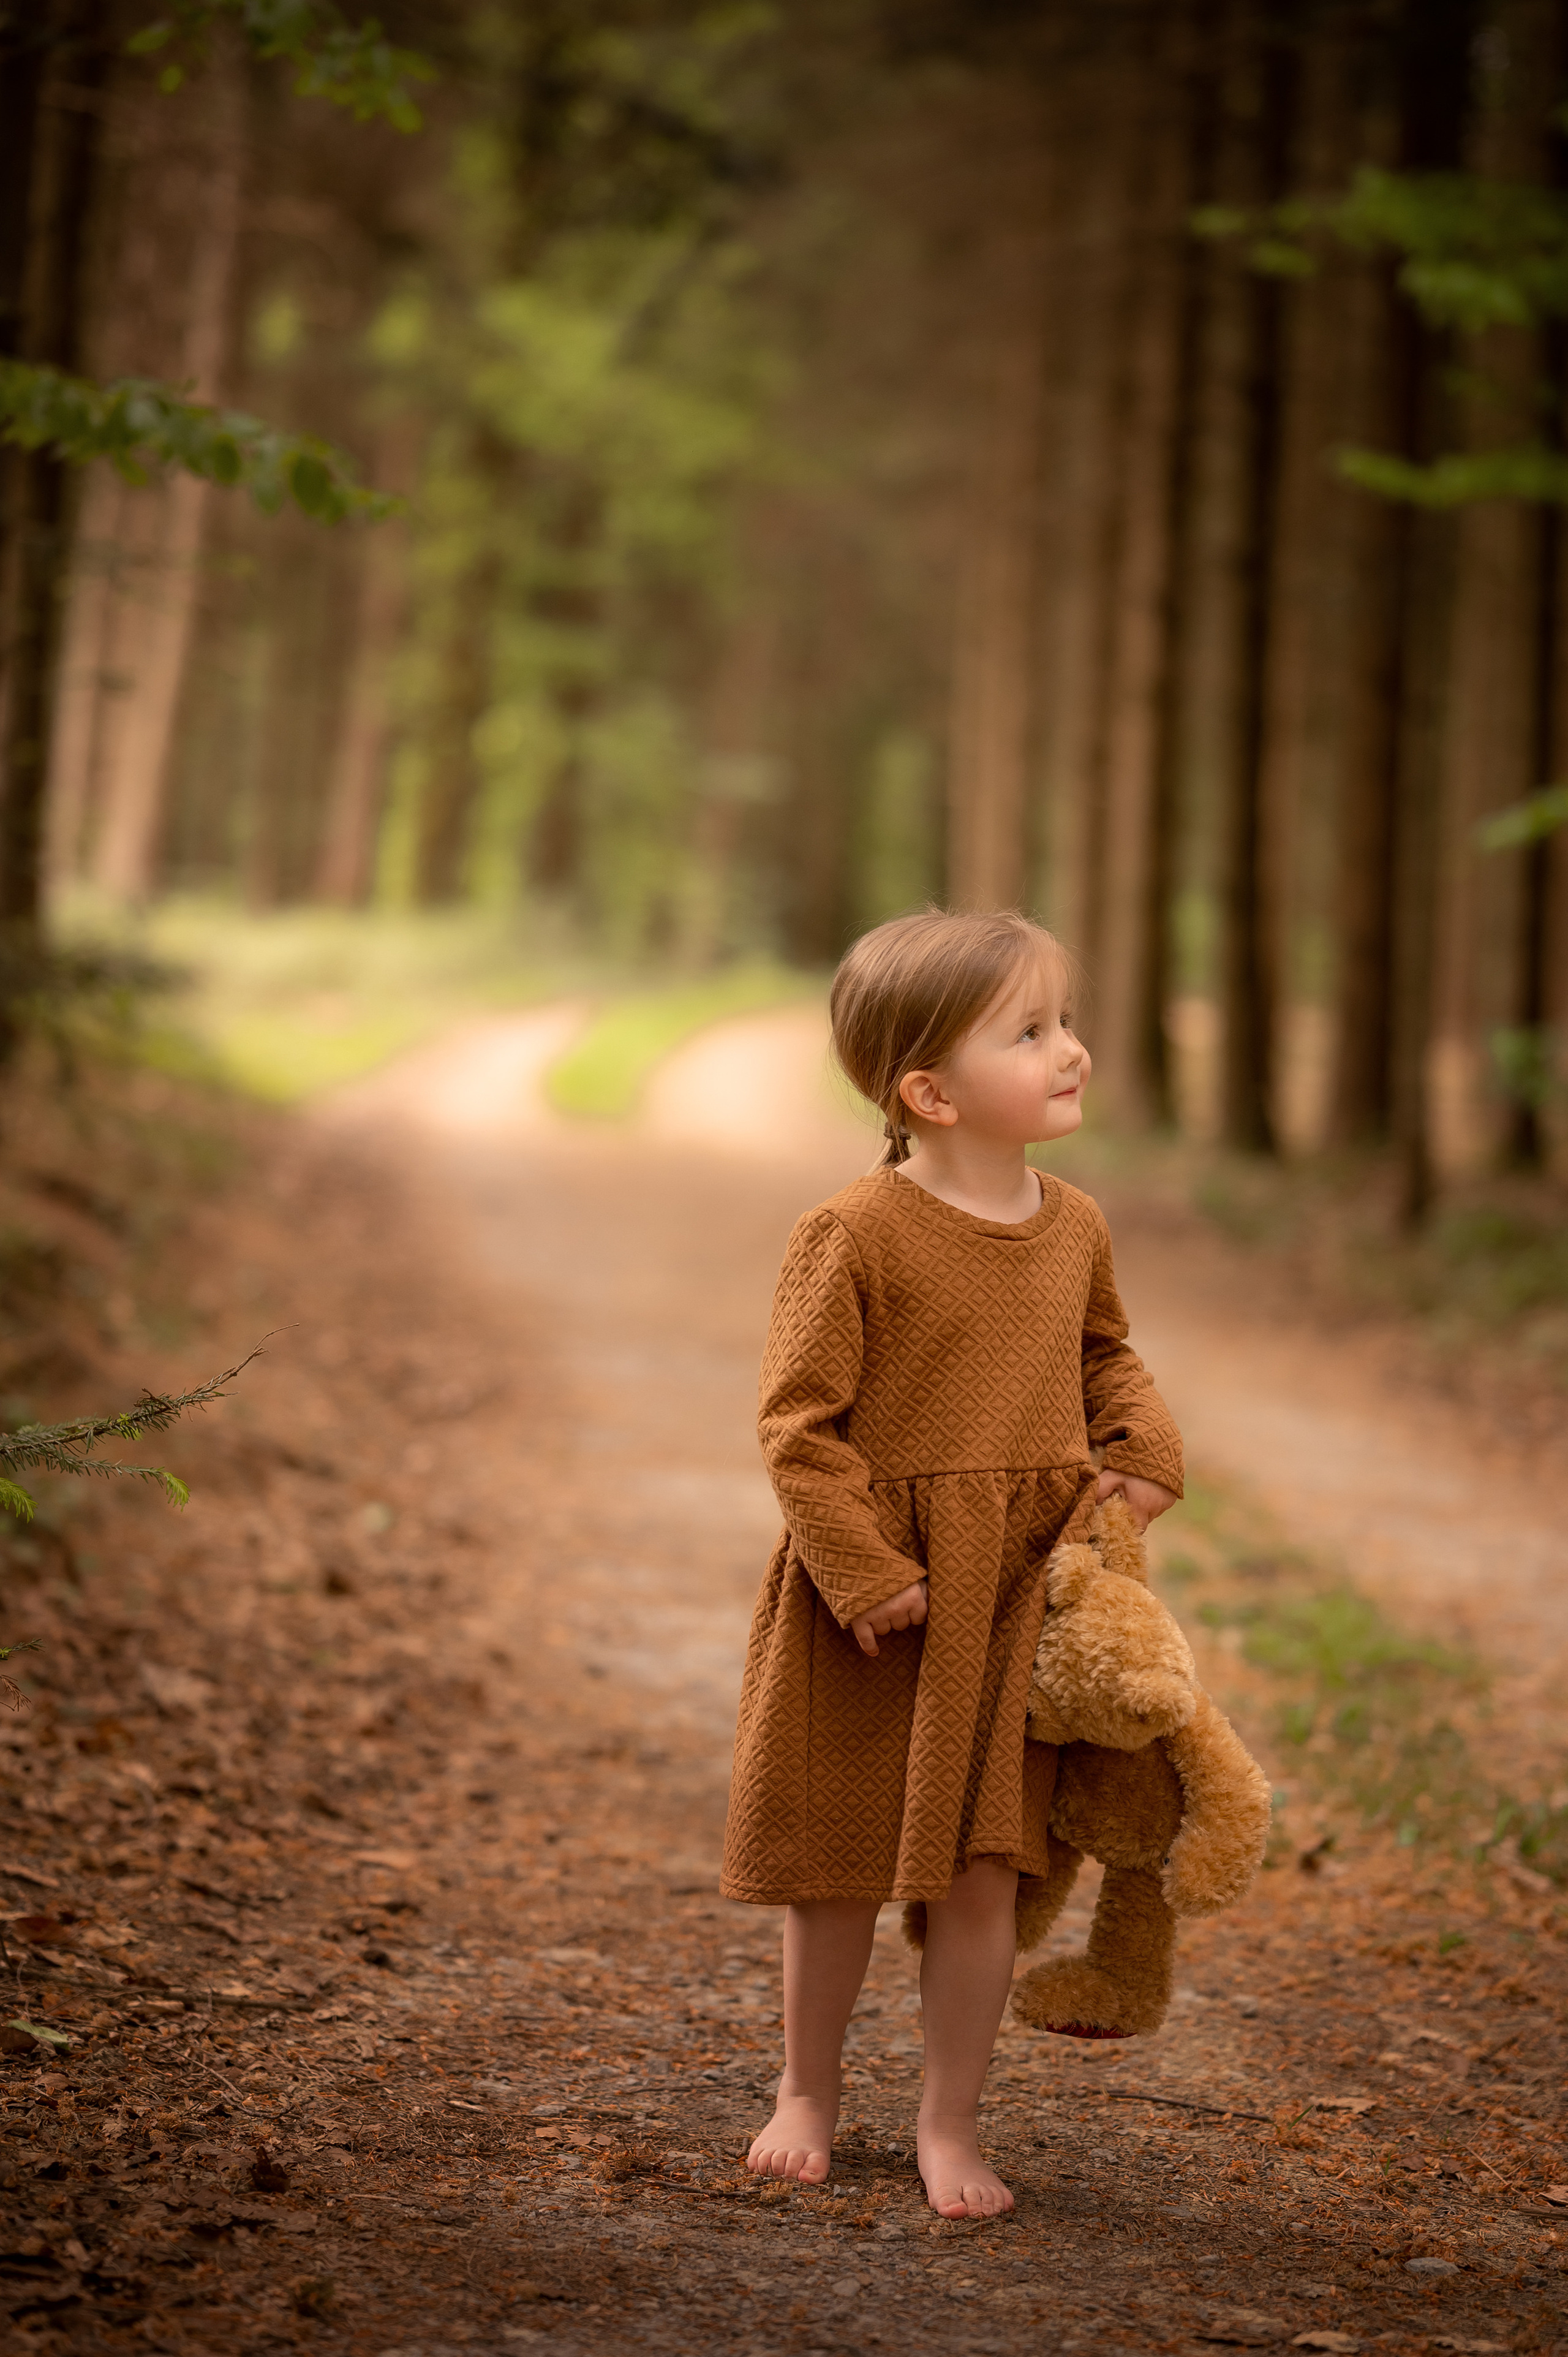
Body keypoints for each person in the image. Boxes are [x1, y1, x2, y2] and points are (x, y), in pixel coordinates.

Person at [720, 907, 1184, 2220]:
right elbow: (795, 1424)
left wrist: (1142, 1441)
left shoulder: (1073, 1223)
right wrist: (859, 1568)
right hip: (877, 1598)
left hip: (1012, 1595)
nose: (1071, 1051)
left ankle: (949, 2119)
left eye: (1066, 1022)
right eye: (1029, 1031)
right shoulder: (853, 1233)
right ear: (927, 1089)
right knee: (838, 1864)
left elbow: (1106, 1352)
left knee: (989, 1865)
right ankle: (805, 2090)